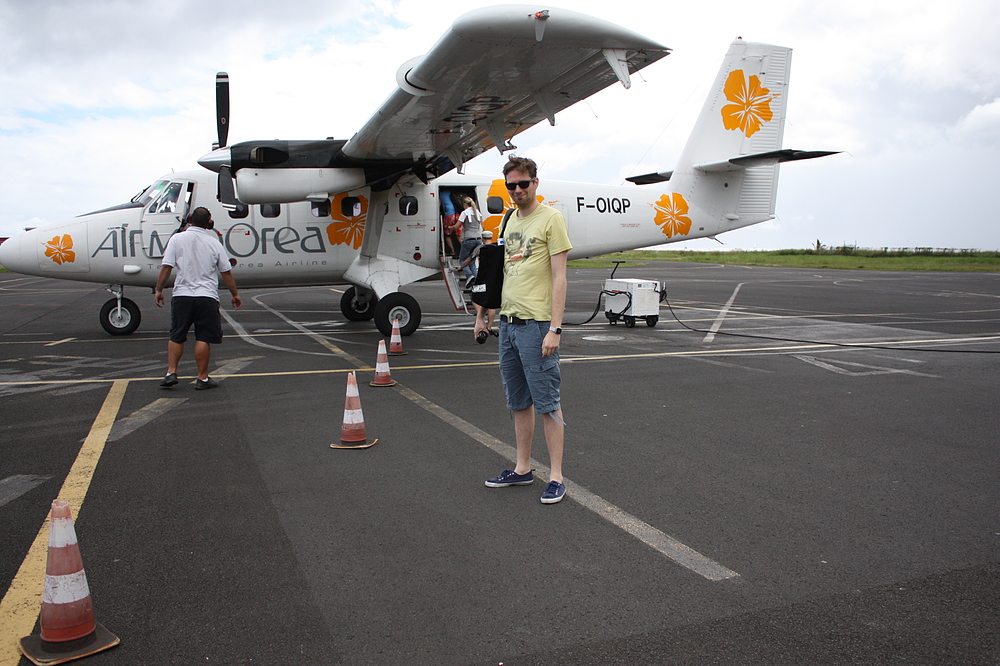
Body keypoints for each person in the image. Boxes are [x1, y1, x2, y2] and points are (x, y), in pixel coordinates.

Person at [475, 156, 572, 504]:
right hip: (509, 324)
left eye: (523, 184)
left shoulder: (551, 219)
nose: (517, 191)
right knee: (518, 402)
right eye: (511, 185)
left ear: (535, 183)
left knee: (547, 403)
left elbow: (560, 276)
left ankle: (557, 476)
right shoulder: (509, 220)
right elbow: (497, 273)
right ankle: (522, 468)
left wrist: (555, 328)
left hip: (537, 325)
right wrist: (482, 314)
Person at [154, 207, 241, 390]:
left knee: (177, 335)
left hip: (182, 295)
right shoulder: (214, 243)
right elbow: (226, 272)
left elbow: (167, 267)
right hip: (206, 296)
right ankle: (202, 378)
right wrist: (235, 294)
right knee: (203, 337)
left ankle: (171, 372)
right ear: (209, 223)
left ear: (190, 219)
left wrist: (159, 289)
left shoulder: (176, 239)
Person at [462, 230, 498, 333]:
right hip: (493, 277)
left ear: (482, 238)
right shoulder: (496, 248)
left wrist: (461, 267)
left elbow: (469, 259)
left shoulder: (480, 248)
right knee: (491, 301)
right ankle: (490, 327)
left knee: (475, 297)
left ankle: (480, 317)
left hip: (483, 276)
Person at [457, 196, 484, 288]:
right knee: (472, 261)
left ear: (465, 204)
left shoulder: (464, 213)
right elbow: (482, 226)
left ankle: (469, 275)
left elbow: (457, 226)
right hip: (478, 239)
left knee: (462, 260)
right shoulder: (478, 212)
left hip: (468, 239)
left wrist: (450, 228)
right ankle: (476, 282)